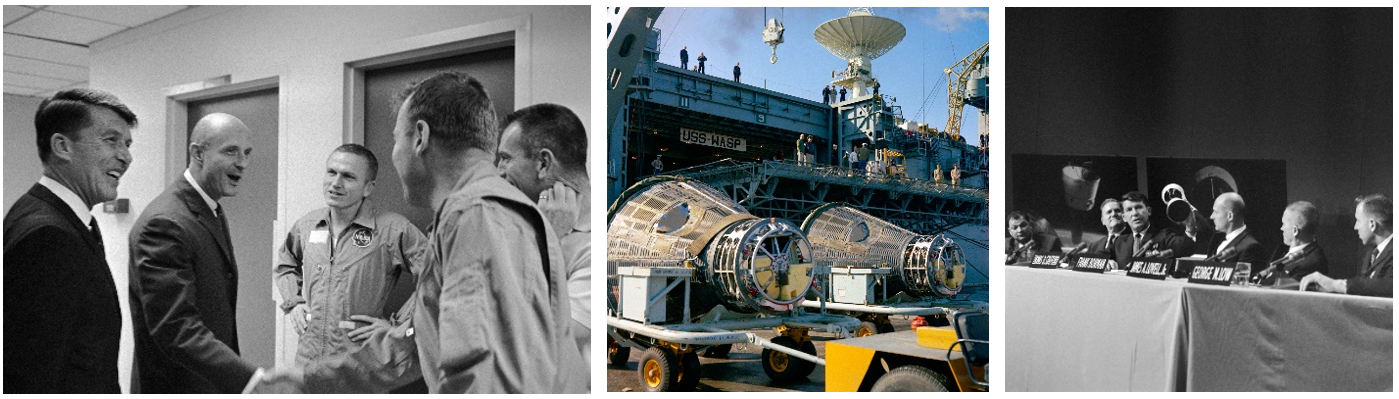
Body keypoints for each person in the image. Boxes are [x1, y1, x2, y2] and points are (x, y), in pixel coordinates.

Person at [257, 71, 584, 393]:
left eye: (396, 138)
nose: (395, 153)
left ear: (420, 138)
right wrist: (310, 380)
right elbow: (421, 338)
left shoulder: (478, 217)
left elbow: (485, 380)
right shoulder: (474, 214)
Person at [4, 89, 135, 393]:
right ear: (62, 146)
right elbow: (30, 378)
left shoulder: (60, 217)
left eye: (127, 144)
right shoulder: (47, 236)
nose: (126, 156)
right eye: (111, 140)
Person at [129, 113, 259, 393]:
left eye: (247, 153)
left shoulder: (210, 209)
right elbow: (175, 327)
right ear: (198, 153)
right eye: (231, 151)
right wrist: (250, 379)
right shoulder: (165, 222)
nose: (243, 163)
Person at [274, 144, 426, 369]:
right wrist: (294, 303)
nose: (335, 183)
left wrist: (399, 327)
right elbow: (286, 263)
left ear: (368, 188)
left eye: (348, 177)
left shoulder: (392, 230)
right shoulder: (307, 226)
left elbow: (439, 275)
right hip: (308, 361)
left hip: (359, 364)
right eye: (331, 172)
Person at [495, 103, 592, 390]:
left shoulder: (598, 239)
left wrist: (549, 238)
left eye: (504, 158)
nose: (498, 171)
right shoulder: (526, 216)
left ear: (543, 163)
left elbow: (543, 335)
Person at [1301, 194, 1392, 297]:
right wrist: (1332, 290)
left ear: (1372, 224)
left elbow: (1389, 286)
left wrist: (1336, 285)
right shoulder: (1372, 253)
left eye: (1358, 221)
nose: (1355, 227)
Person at [1257, 201, 1328, 285]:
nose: (1281, 228)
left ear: (1295, 230)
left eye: (1283, 223)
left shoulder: (1313, 262)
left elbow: (1288, 293)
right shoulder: (1280, 249)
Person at [1113, 191, 1191, 267]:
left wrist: (1190, 227)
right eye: (1129, 210)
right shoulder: (1119, 241)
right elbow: (1103, 255)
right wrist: (1108, 261)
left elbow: (1183, 247)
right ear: (1124, 217)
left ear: (1149, 211)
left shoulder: (1164, 235)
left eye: (1139, 207)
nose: (1135, 213)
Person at [1205, 192, 1265, 265]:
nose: (1211, 217)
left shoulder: (1251, 247)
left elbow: (1242, 275)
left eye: (1216, 212)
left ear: (1230, 216)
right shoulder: (1216, 239)